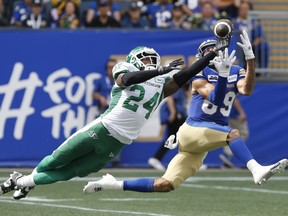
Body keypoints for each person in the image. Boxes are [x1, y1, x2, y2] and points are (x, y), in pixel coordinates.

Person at [0, 39, 230, 200]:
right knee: (56, 159)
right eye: (145, 58)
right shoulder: (126, 68)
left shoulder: (162, 86)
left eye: (153, 59)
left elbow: (186, 73)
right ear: (134, 59)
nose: (149, 61)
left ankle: (22, 183)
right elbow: (128, 79)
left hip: (118, 142)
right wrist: (159, 70)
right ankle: (24, 182)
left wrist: (212, 53)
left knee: (72, 172)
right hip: (102, 128)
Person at [83, 30, 288, 194]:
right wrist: (223, 75)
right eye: (209, 52)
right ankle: (256, 169)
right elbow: (215, 98)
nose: (215, 55)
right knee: (233, 134)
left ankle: (112, 184)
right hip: (193, 129)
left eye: (215, 51)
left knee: (165, 185)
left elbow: (248, 89)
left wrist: (251, 61)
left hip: (203, 140)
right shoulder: (201, 73)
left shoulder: (233, 71)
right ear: (203, 57)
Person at [148, 83, 190, 170]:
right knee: (186, 137)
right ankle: (190, 161)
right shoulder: (178, 89)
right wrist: (173, 113)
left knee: (173, 138)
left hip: (179, 116)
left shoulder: (183, 91)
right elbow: (170, 99)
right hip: (177, 117)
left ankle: (156, 158)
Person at [219, 97, 249, 168]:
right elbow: (234, 99)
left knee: (230, 135)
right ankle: (228, 153)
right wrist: (241, 112)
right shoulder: (231, 87)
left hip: (225, 115)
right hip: (234, 115)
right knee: (243, 133)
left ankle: (227, 155)